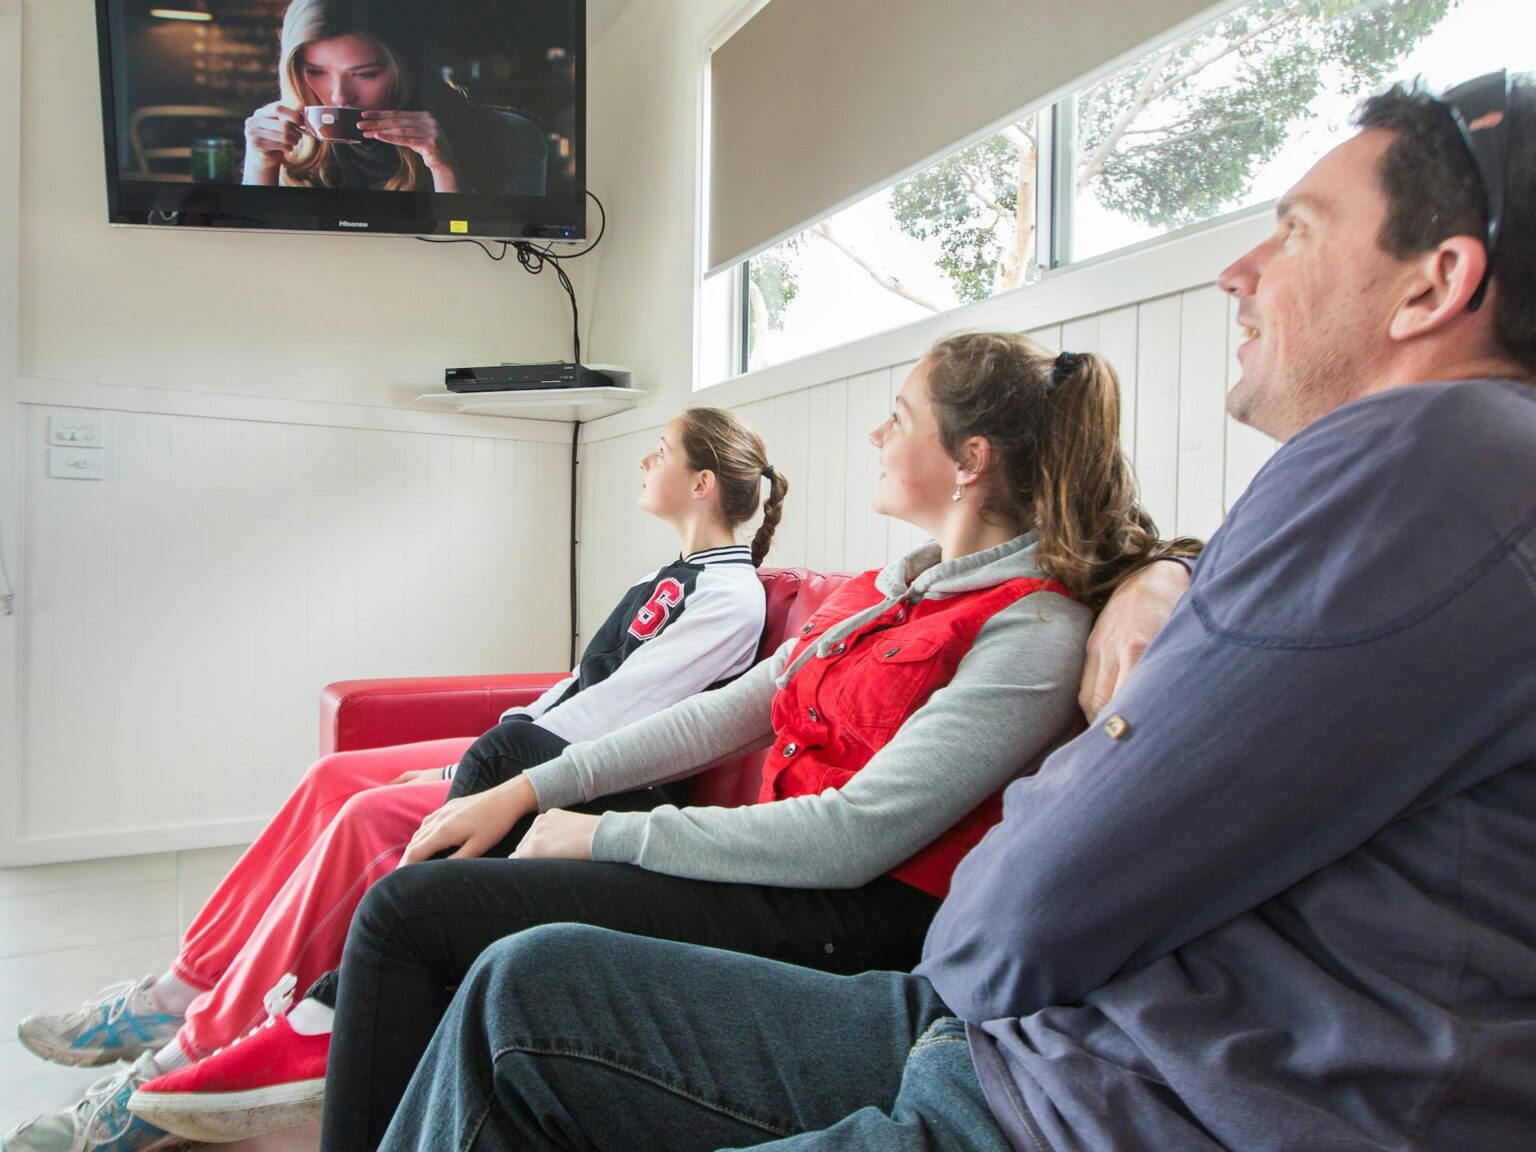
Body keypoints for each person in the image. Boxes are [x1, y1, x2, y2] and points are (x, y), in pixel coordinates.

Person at [365, 71, 1536, 1151]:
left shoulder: (1417, 468)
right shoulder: (911, 585)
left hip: (1053, 1068)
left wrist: (960, 947)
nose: (1238, 269)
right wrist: (1159, 574)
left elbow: (1031, 892)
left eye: (1295, 230)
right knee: (523, 982)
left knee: (474, 950)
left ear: (1437, 282)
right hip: (1028, 1030)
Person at [127, 332, 1197, 1151]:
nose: (876, 437)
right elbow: (731, 708)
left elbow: (858, 835)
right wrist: (536, 792)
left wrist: (600, 842)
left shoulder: (1032, 627)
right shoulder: (891, 594)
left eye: (896, 417)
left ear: (967, 460)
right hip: (786, 874)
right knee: (435, 886)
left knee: (414, 916)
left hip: (860, 916)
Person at [2, 407, 786, 1152]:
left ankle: (188, 1056)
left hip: (569, 781)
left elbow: (621, 717)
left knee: (370, 817)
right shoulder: (672, 574)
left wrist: (468, 772)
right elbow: (572, 688)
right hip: (528, 749)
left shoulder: (728, 594)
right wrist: (469, 753)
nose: (645, 459)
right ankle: (180, 988)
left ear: (703, 483)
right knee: (336, 777)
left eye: (661, 448)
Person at [243, 0, 548, 194]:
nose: (339, 96)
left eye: (366, 74)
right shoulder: (294, 147)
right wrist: (262, 165)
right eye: (316, 71)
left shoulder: (509, 137)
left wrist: (444, 169)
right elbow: (261, 265)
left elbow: (494, 266)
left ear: (411, 68)